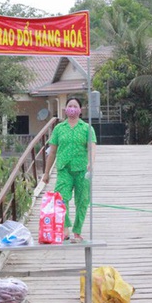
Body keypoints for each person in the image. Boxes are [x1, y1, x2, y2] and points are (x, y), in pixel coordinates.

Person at [42, 97, 97, 243]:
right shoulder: (59, 128)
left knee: (82, 200)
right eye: (69, 106)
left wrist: (91, 162)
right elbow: (52, 151)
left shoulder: (87, 128)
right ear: (65, 109)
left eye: (75, 106)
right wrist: (46, 172)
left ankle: (77, 231)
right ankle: (65, 228)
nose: (72, 108)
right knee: (61, 198)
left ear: (80, 110)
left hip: (81, 170)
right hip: (64, 169)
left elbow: (92, 146)